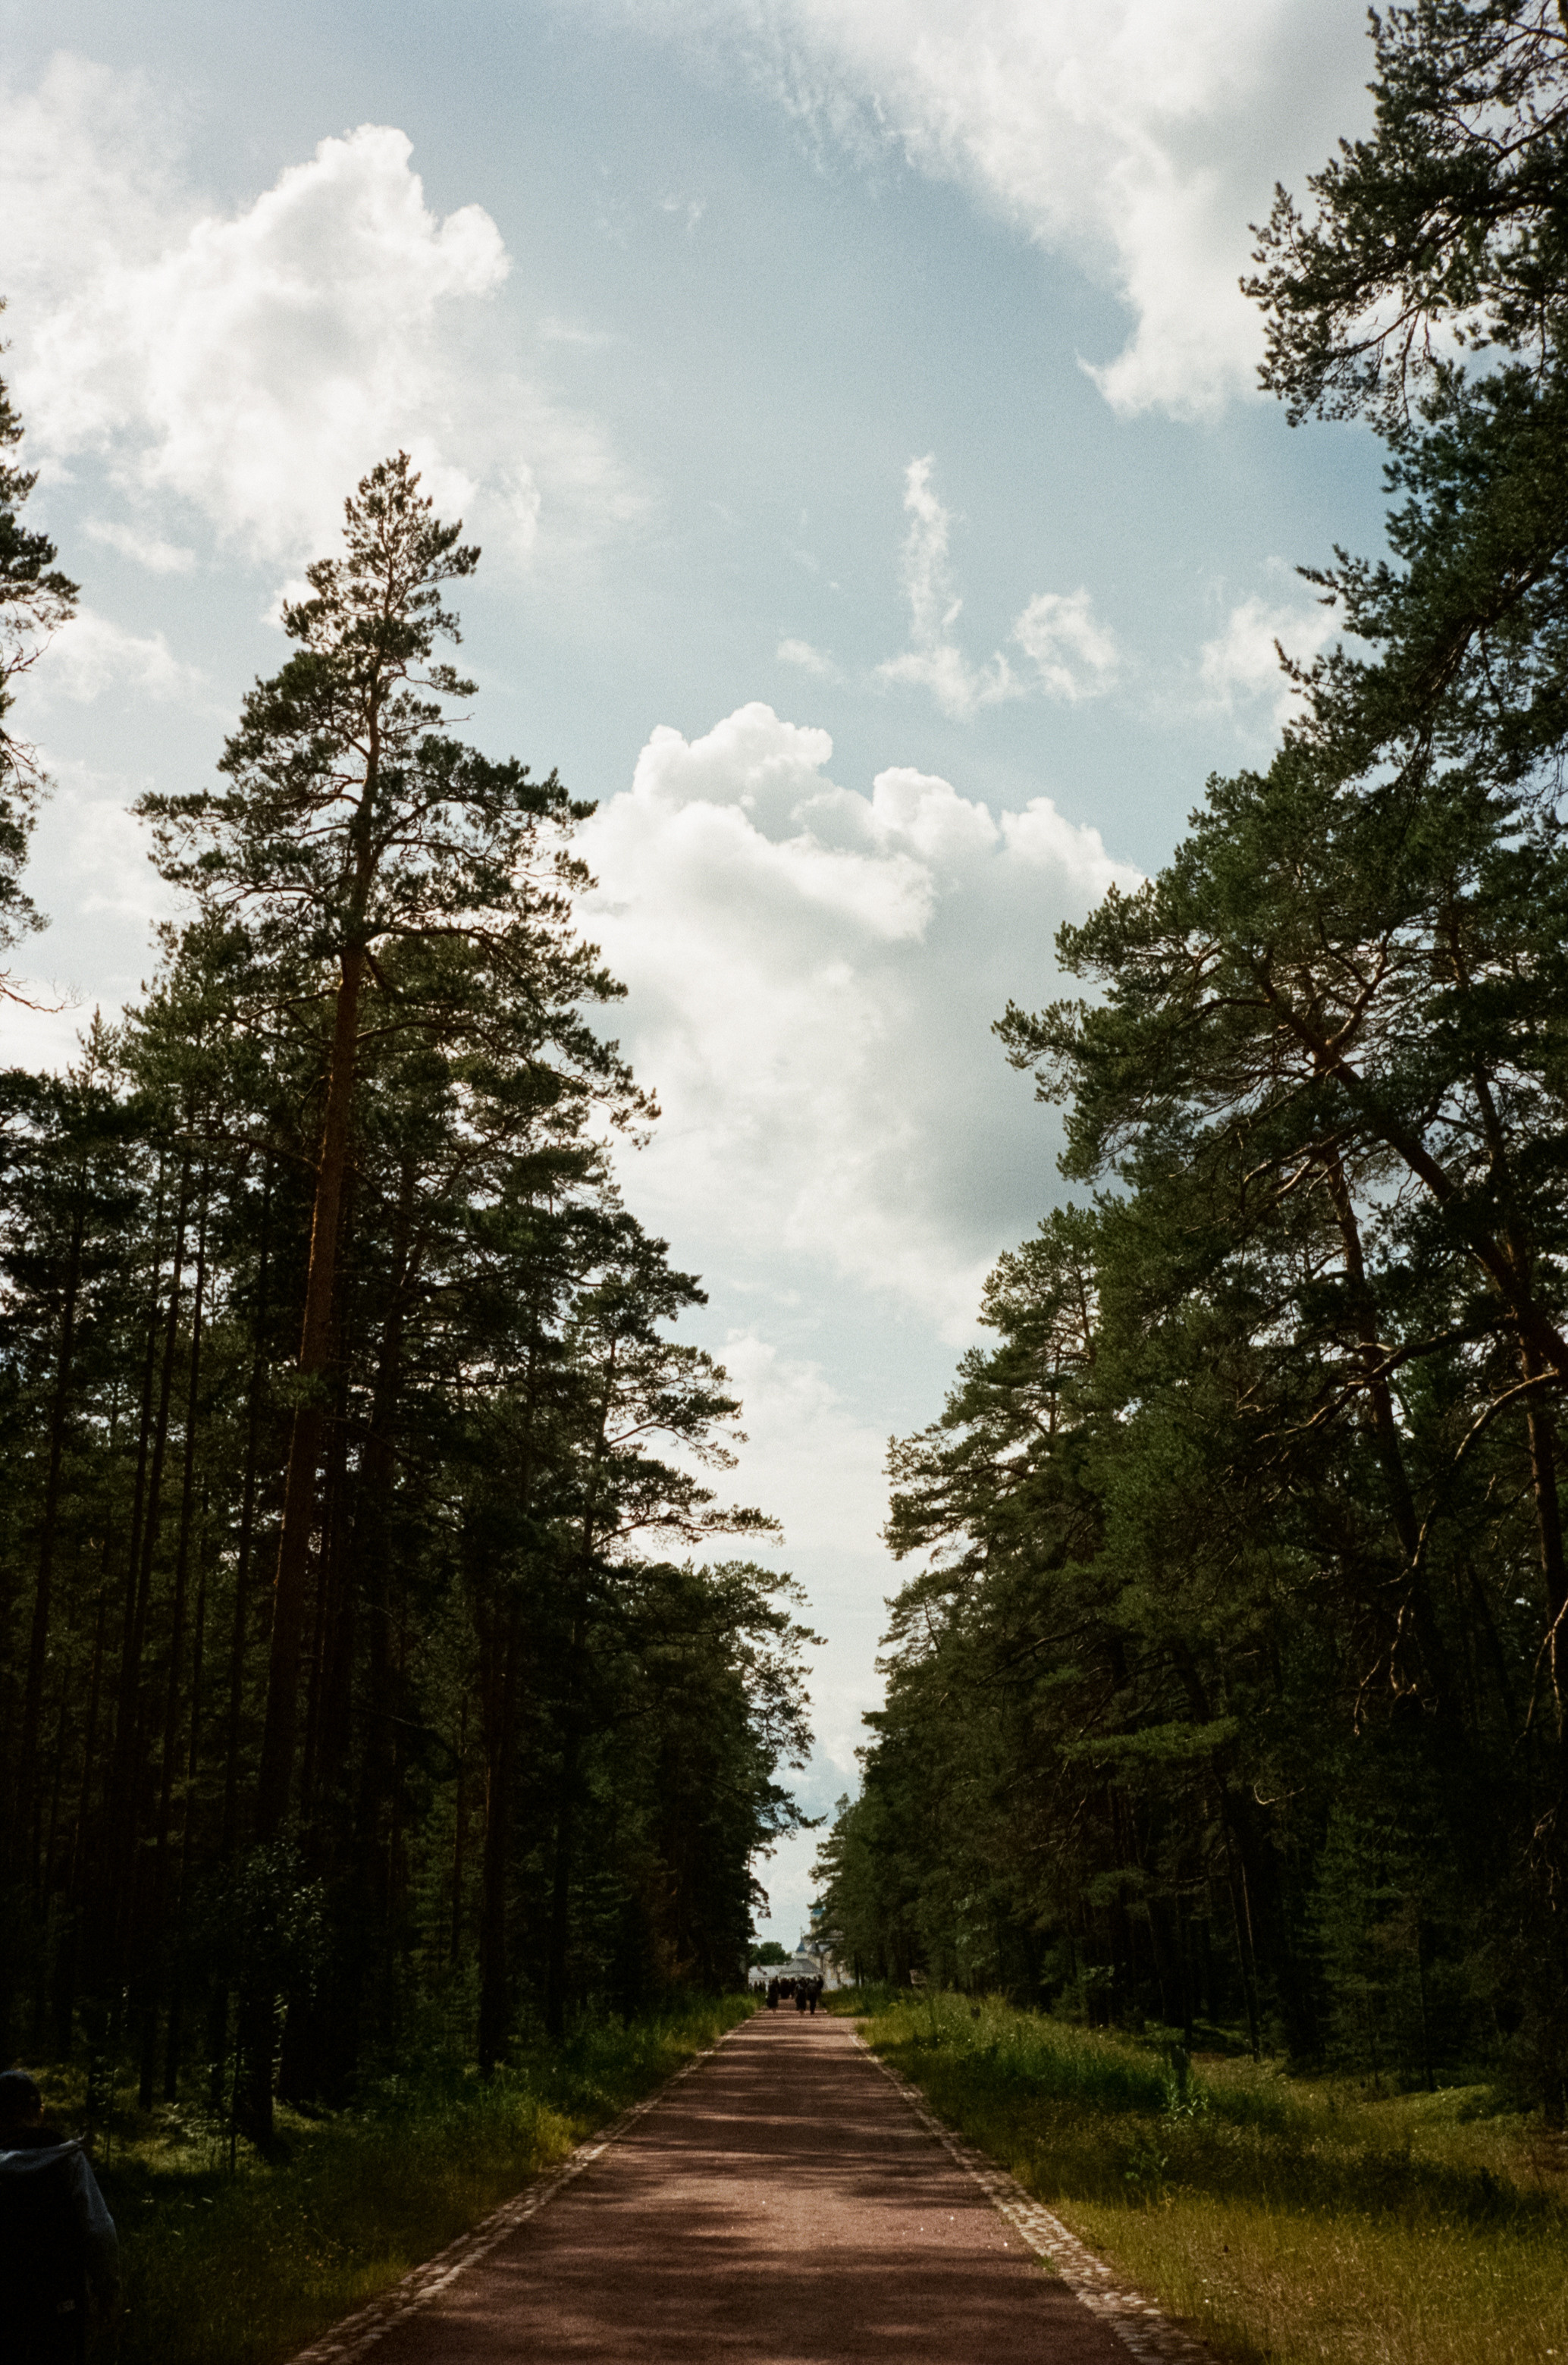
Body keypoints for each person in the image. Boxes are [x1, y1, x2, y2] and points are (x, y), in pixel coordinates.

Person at [0, 2069, 120, 2364]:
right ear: (39, 2111)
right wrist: (107, 2291)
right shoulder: (67, 2159)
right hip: (60, 2302)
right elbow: (98, 2230)